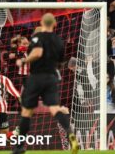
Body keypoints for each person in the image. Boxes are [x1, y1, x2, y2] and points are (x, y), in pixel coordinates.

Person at [12, 13, 78, 154]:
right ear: (54, 23)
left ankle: (19, 147)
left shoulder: (38, 37)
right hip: (52, 77)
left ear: (42, 22)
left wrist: (23, 61)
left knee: (27, 111)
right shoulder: (59, 40)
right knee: (55, 109)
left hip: (37, 77)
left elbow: (37, 52)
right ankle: (70, 134)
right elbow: (60, 60)